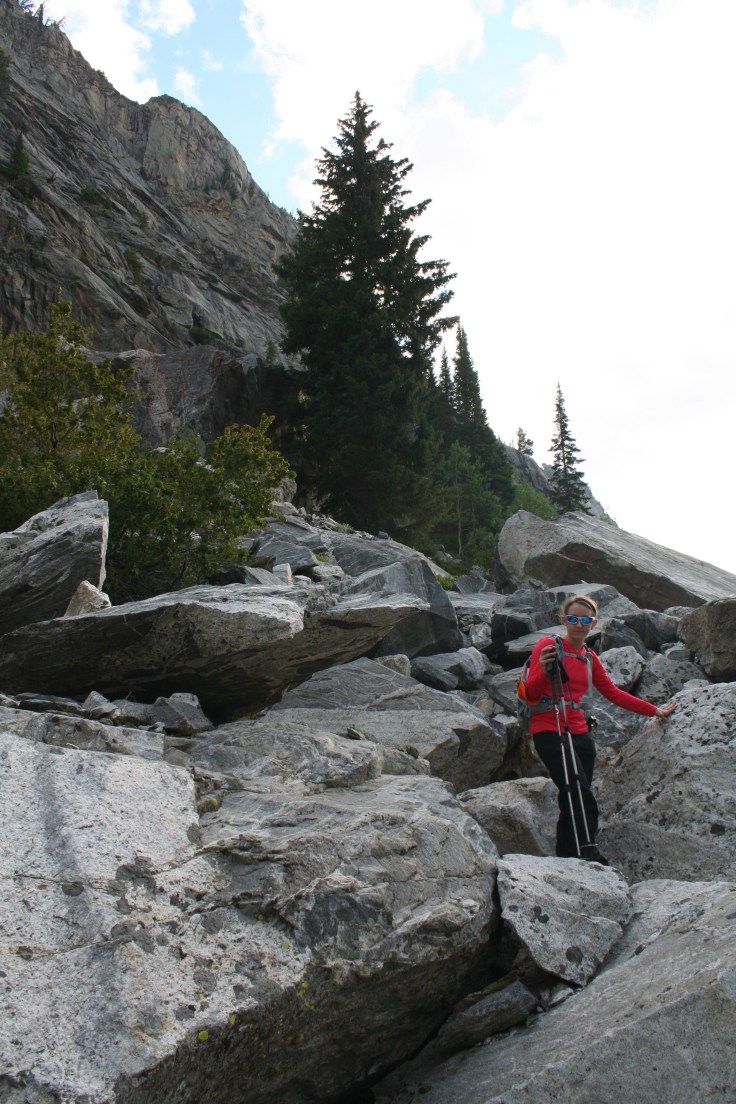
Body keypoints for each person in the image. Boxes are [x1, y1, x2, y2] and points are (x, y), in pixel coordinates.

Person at [524, 594, 677, 865]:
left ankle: (567, 856)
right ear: (564, 621)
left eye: (585, 620)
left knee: (574, 793)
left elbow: (614, 693)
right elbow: (532, 693)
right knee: (578, 793)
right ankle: (587, 852)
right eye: (573, 619)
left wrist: (654, 710)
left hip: (580, 733)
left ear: (594, 623)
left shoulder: (589, 657)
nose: (578, 625)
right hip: (550, 729)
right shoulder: (549, 645)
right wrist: (544, 670)